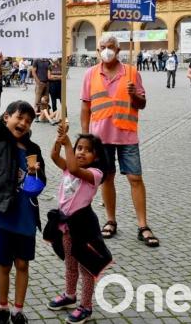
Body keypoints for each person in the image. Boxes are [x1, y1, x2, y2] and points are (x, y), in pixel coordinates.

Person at [0, 53, 44, 324]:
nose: (23, 124)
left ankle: (18, 309)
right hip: (3, 210)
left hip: (25, 215)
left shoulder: (33, 149)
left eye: (28, 121)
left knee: (22, 264)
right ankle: (2, 307)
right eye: (19, 118)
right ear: (6, 118)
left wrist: (34, 175)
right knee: (4, 263)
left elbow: (40, 186)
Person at [81, 35, 159, 248]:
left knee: (135, 178)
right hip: (100, 136)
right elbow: (86, 107)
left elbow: (142, 104)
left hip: (126, 134)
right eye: (102, 47)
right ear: (99, 50)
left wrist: (135, 95)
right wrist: (85, 136)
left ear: (118, 49)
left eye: (110, 47)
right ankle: (110, 220)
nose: (106, 50)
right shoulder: (90, 74)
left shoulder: (132, 73)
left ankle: (143, 225)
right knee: (107, 178)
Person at [47, 128, 109, 324]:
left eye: (87, 150)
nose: (81, 152)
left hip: (84, 228)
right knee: (70, 263)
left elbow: (75, 170)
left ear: (96, 155)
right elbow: (54, 156)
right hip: (66, 226)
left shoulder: (94, 174)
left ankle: (86, 306)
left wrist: (68, 145)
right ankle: (70, 295)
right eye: (78, 148)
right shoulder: (68, 167)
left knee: (86, 268)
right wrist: (59, 140)